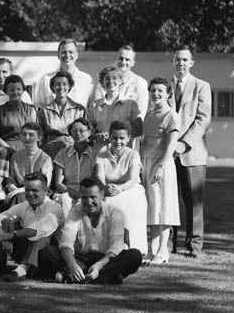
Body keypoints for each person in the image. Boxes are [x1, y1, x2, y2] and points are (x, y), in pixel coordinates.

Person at [39, 178, 144, 284]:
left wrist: (99, 265)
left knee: (134, 256)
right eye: (85, 198)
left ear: (102, 195)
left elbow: (115, 248)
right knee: (47, 252)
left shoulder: (115, 213)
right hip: (81, 258)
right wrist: (73, 265)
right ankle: (105, 277)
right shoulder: (76, 210)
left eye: (93, 197)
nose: (89, 202)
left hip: (106, 259)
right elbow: (66, 242)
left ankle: (75, 276)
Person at [170, 48, 211, 258]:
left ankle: (194, 246)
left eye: (185, 60)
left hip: (192, 154)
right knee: (169, 199)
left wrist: (183, 144)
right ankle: (170, 244)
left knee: (193, 201)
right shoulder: (165, 87)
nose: (181, 63)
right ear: (173, 62)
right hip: (167, 154)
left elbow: (202, 120)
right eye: (178, 59)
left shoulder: (202, 86)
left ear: (192, 63)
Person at [0, 173, 61, 281]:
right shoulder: (25, 206)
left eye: (35, 190)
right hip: (26, 251)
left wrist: (10, 235)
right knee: (6, 221)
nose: (30, 194)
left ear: (46, 191)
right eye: (27, 190)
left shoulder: (54, 208)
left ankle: (23, 269)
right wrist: (0, 232)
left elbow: (38, 230)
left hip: (47, 256)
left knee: (40, 236)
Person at [141, 78, 180, 265]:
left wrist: (161, 166)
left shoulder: (172, 115)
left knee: (164, 208)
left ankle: (163, 250)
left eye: (160, 91)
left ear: (168, 94)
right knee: (152, 208)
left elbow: (171, 144)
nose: (156, 94)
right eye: (153, 90)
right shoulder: (149, 114)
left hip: (162, 165)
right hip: (147, 163)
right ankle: (152, 250)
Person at [95, 122, 148, 251]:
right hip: (108, 187)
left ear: (128, 138)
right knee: (107, 200)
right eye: (114, 138)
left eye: (122, 138)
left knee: (127, 200)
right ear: (110, 137)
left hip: (129, 188)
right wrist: (104, 187)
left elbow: (133, 179)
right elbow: (99, 175)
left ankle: (133, 247)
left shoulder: (133, 154)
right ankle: (110, 245)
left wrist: (120, 189)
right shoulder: (102, 152)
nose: (118, 141)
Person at [51, 118, 97, 216]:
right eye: (74, 131)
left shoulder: (95, 154)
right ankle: (67, 229)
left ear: (89, 132)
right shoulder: (63, 153)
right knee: (64, 200)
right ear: (70, 133)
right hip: (67, 192)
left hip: (89, 192)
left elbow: (97, 180)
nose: (77, 133)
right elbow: (58, 183)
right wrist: (72, 193)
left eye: (82, 131)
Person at [86, 66, 142, 146]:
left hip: (123, 151)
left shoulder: (131, 104)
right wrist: (97, 135)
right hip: (101, 150)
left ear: (120, 81)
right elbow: (89, 130)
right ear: (102, 82)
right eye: (107, 79)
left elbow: (138, 131)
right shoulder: (94, 105)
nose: (111, 81)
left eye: (114, 78)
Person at [38, 71, 87, 158]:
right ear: (52, 87)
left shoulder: (79, 109)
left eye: (64, 84)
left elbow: (85, 134)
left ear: (69, 87)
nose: (61, 87)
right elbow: (40, 137)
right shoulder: (44, 111)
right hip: (50, 152)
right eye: (57, 84)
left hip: (72, 151)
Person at [32, 39, 94, 106]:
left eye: (71, 52)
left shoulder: (86, 80)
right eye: (63, 52)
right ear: (58, 55)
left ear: (77, 55)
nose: (67, 55)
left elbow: (91, 109)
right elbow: (38, 107)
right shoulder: (46, 80)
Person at [5, 122, 53, 205]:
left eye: (31, 135)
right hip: (17, 193)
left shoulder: (45, 159)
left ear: (39, 138)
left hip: (37, 193)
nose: (27, 138)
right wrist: (13, 189)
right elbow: (11, 180)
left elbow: (43, 184)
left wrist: (21, 190)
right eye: (24, 134)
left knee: (21, 197)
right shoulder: (15, 156)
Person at [0, 75, 39, 151]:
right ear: (6, 91)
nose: (15, 92)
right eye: (12, 90)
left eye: (18, 89)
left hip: (27, 148)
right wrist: (8, 148)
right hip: (4, 148)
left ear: (23, 90)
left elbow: (33, 134)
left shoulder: (31, 110)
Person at [114, 45, 149, 116]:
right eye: (121, 58)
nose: (123, 62)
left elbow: (141, 112)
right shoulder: (105, 81)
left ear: (133, 63)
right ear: (116, 60)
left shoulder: (140, 83)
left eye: (127, 60)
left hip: (129, 126)